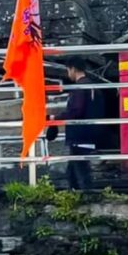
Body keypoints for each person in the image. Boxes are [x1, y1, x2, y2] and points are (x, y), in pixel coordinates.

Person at [46, 56, 101, 192]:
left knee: (81, 172)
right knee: (73, 171)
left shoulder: (79, 88)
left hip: (79, 134)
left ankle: (87, 198)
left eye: (68, 70)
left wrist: (55, 117)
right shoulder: (95, 88)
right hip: (92, 132)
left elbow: (75, 111)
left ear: (73, 69)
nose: (68, 73)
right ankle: (75, 196)